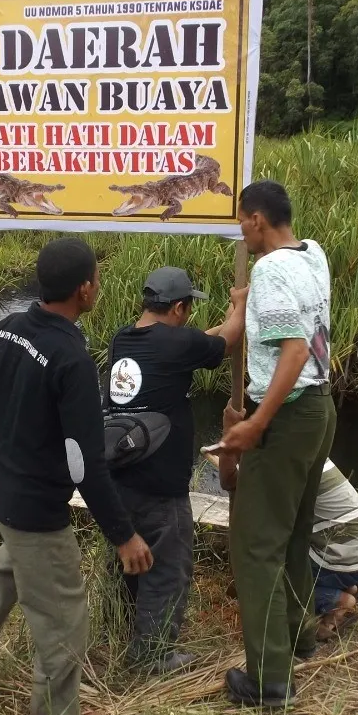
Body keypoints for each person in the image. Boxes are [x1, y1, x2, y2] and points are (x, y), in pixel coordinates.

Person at [0, 237, 153, 715]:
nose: (97, 285)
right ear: (84, 290)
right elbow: (84, 464)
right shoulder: (71, 359)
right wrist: (124, 535)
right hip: (35, 501)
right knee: (63, 612)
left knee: (13, 561)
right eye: (96, 277)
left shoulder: (11, 327)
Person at [218, 179, 336, 709]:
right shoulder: (313, 254)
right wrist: (248, 305)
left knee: (254, 544)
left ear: (257, 220)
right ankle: (299, 634)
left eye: (242, 221)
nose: (240, 231)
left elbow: (292, 350)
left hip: (286, 416)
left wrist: (257, 422)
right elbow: (300, 329)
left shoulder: (268, 268)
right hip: (321, 409)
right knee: (292, 531)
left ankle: (268, 681)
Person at [104, 267, 247, 673]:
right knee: (167, 567)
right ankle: (153, 655)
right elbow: (226, 341)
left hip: (119, 477)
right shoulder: (178, 342)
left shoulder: (123, 339)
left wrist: (216, 327)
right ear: (180, 307)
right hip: (160, 485)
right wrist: (239, 305)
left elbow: (200, 341)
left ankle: (121, 632)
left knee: (129, 560)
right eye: (188, 309)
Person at [213, 411, 358, 642]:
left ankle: (336, 600)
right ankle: (336, 585)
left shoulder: (279, 463)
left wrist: (227, 433)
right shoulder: (300, 449)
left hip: (342, 559)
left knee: (264, 574)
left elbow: (229, 480)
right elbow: (231, 479)